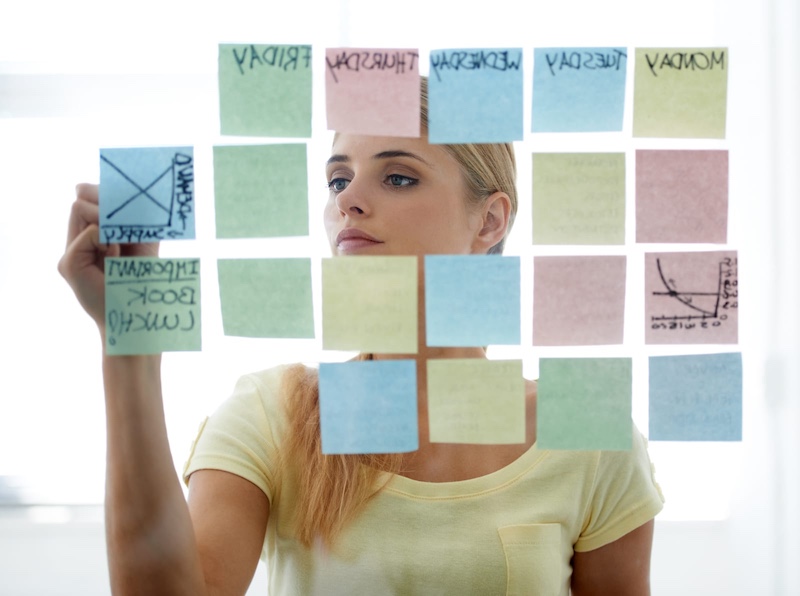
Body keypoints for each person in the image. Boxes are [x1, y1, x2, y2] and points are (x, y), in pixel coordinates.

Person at [58, 78, 664, 595]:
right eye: (337, 179)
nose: (348, 200)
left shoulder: (588, 426)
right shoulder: (272, 411)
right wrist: (128, 340)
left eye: (398, 177)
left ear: (490, 219)